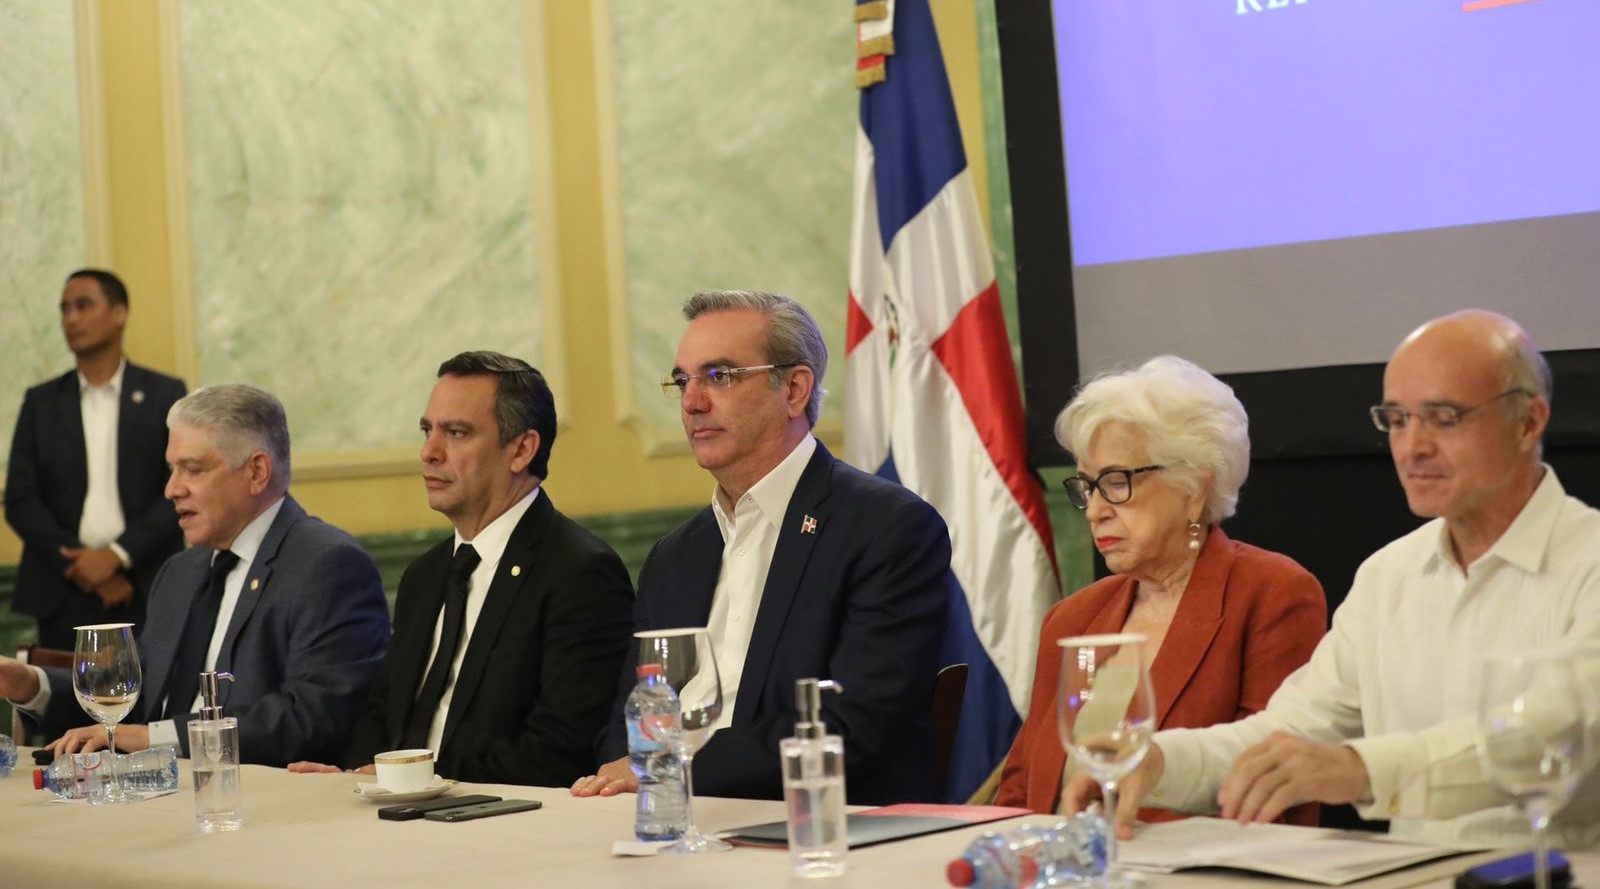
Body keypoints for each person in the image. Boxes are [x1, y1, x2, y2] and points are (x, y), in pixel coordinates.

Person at [1065, 310, 1600, 848]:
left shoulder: (1589, 561)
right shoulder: (1389, 575)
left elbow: (1555, 735)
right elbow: (1289, 734)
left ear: (1528, 422)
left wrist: (1361, 768)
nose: (1413, 447)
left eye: (1443, 418)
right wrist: (1158, 760)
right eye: (1397, 420)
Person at [570, 290, 952, 804]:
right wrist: (632, 776)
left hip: (816, 822)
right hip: (669, 818)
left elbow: (857, 722)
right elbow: (630, 717)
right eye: (683, 381)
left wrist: (670, 767)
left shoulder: (886, 528)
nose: (691, 402)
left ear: (794, 390)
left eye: (719, 376)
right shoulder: (675, 556)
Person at [996, 356, 1326, 822]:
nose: (1095, 511)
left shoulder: (1272, 594)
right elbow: (1020, 787)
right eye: (1087, 486)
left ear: (1193, 488)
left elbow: (1266, 786)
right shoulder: (1073, 618)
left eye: (1115, 482)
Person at [0, 384, 391, 767]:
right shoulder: (181, 571)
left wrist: (154, 739)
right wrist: (30, 684)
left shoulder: (327, 564)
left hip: (260, 795)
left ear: (257, 472)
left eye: (192, 469)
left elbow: (312, 717)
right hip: (157, 788)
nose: (171, 489)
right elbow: (133, 693)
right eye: (171, 469)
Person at [289, 352, 634, 786]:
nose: (429, 452)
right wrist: (352, 777)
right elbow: (382, 716)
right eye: (427, 430)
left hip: (507, 815)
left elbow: (560, 750)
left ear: (521, 449)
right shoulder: (425, 574)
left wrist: (413, 779)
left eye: (456, 433)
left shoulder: (580, 573)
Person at [5, 269, 186, 648]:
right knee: (61, 688)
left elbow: (180, 487)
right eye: (64, 309)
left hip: (145, 585)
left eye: (83, 305)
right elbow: (21, 499)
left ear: (120, 313)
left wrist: (117, 556)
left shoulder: (164, 395)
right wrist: (81, 565)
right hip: (61, 590)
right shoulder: (42, 402)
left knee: (153, 688)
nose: (71, 319)